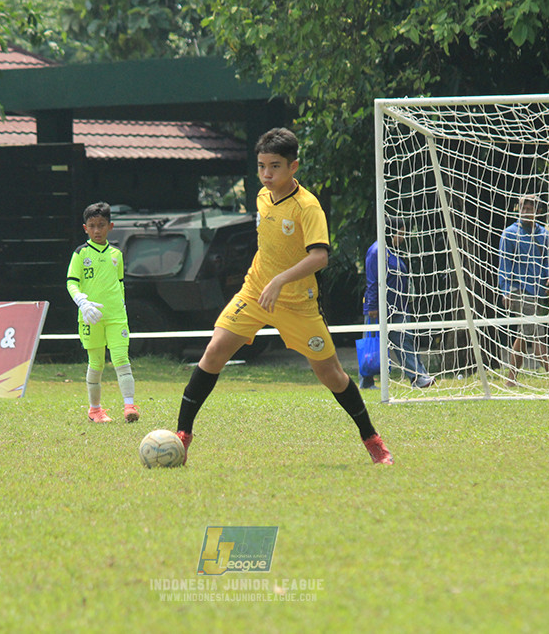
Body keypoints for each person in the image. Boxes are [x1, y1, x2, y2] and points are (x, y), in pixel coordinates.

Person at [174, 127, 393, 465]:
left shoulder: (308, 207)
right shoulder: (263, 196)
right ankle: (182, 437)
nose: (266, 174)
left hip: (297, 304)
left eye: (274, 166)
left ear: (294, 167)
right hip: (254, 293)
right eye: (261, 166)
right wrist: (267, 281)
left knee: (331, 375)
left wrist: (279, 281)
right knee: (214, 351)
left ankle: (373, 440)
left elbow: (320, 256)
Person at [66, 202, 139, 423]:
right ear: (85, 228)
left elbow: (120, 284)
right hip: (90, 318)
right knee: (96, 363)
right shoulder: (81, 253)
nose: (97, 230)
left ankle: (129, 407)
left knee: (121, 360)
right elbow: (71, 283)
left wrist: (122, 307)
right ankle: (95, 410)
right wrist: (82, 303)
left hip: (116, 317)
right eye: (92, 226)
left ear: (110, 226)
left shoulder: (116, 253)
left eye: (101, 225)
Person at [498, 193, 549, 387]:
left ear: (537, 212)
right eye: (522, 208)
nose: (525, 212)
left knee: (524, 334)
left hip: (536, 291)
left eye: (529, 209)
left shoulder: (543, 234)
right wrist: (505, 290)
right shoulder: (510, 234)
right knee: (538, 333)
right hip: (519, 290)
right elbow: (504, 265)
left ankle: (511, 380)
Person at [361, 227, 434, 389]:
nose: (402, 237)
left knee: (405, 341)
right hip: (379, 308)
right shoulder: (376, 251)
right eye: (399, 233)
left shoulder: (393, 252)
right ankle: (366, 381)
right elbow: (373, 281)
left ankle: (418, 378)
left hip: (399, 307)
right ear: (389, 232)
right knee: (372, 344)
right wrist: (373, 306)